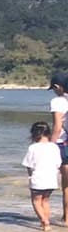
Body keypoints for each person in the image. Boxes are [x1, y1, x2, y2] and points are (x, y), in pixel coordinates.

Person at [23, 121, 60, 231]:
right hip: (51, 179)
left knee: (36, 201)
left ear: (34, 134)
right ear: (48, 133)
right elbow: (58, 163)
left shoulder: (33, 148)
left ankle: (44, 220)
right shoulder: (54, 147)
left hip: (38, 178)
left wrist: (30, 176)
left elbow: (28, 165)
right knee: (46, 200)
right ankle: (45, 222)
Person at [48, 72, 68, 221]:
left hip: (63, 144)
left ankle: (67, 218)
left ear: (57, 87)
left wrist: (50, 146)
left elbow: (57, 126)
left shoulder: (58, 101)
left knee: (66, 185)